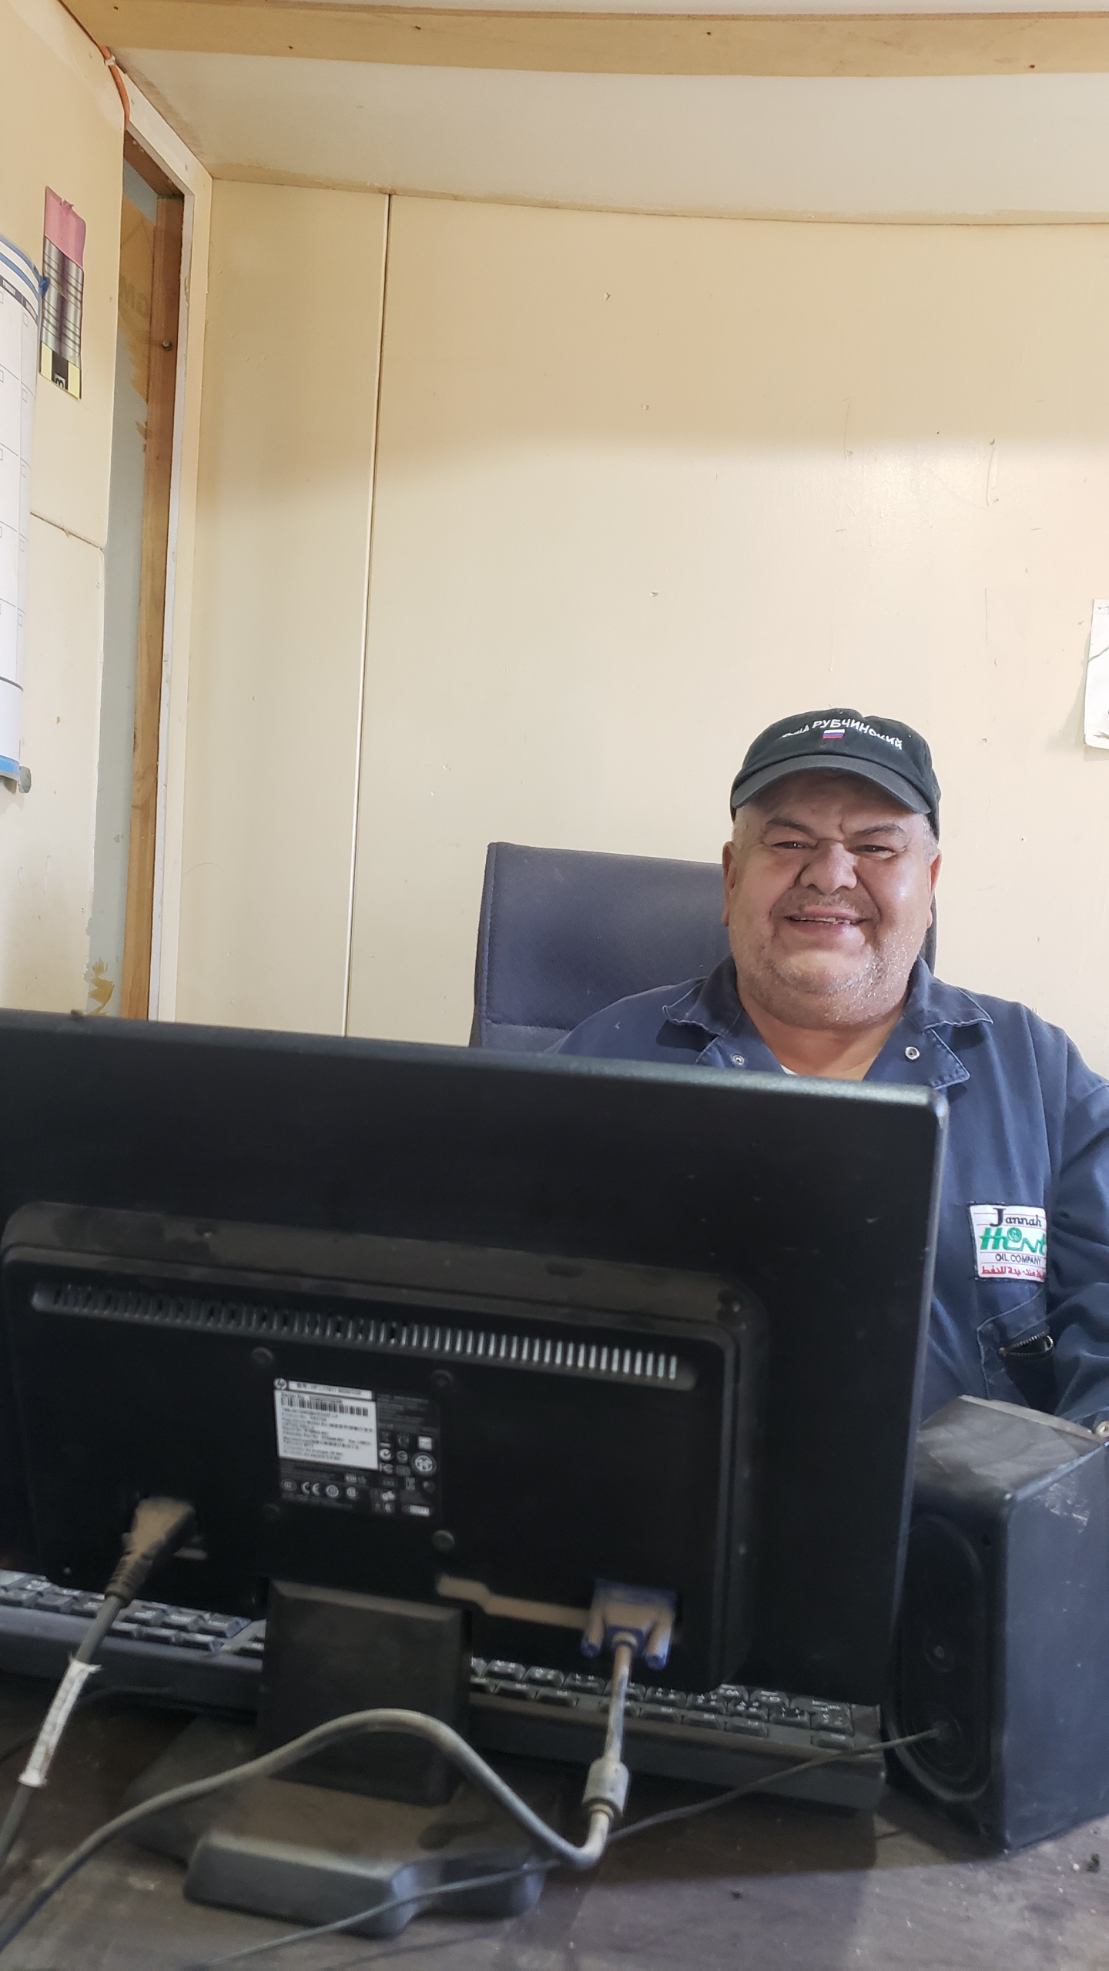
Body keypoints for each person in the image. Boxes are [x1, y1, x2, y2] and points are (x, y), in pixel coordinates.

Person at [555, 709, 1109, 1430]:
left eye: (875, 846)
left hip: (971, 1501)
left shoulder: (1035, 1070)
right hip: (669, 1488)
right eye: (789, 842)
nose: (829, 875)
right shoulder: (605, 1058)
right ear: (731, 878)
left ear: (930, 884)